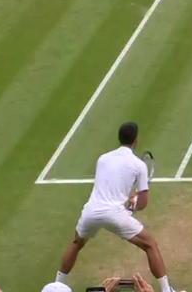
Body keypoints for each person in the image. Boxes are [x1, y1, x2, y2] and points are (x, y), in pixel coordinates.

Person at [55, 122, 179, 292]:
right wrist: (134, 202)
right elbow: (143, 204)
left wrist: (127, 201)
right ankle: (166, 290)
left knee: (76, 243)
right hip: (115, 214)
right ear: (136, 140)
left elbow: (108, 186)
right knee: (150, 244)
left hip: (91, 211)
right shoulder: (139, 165)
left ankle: (57, 285)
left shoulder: (102, 159)